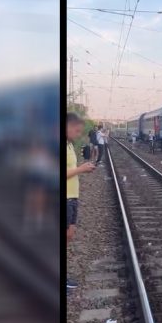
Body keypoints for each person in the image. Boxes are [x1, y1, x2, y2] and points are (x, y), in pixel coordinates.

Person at [67, 112, 96, 290]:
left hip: (72, 197)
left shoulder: (70, 145)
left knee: (69, 235)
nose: (79, 135)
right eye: (76, 131)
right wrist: (81, 169)